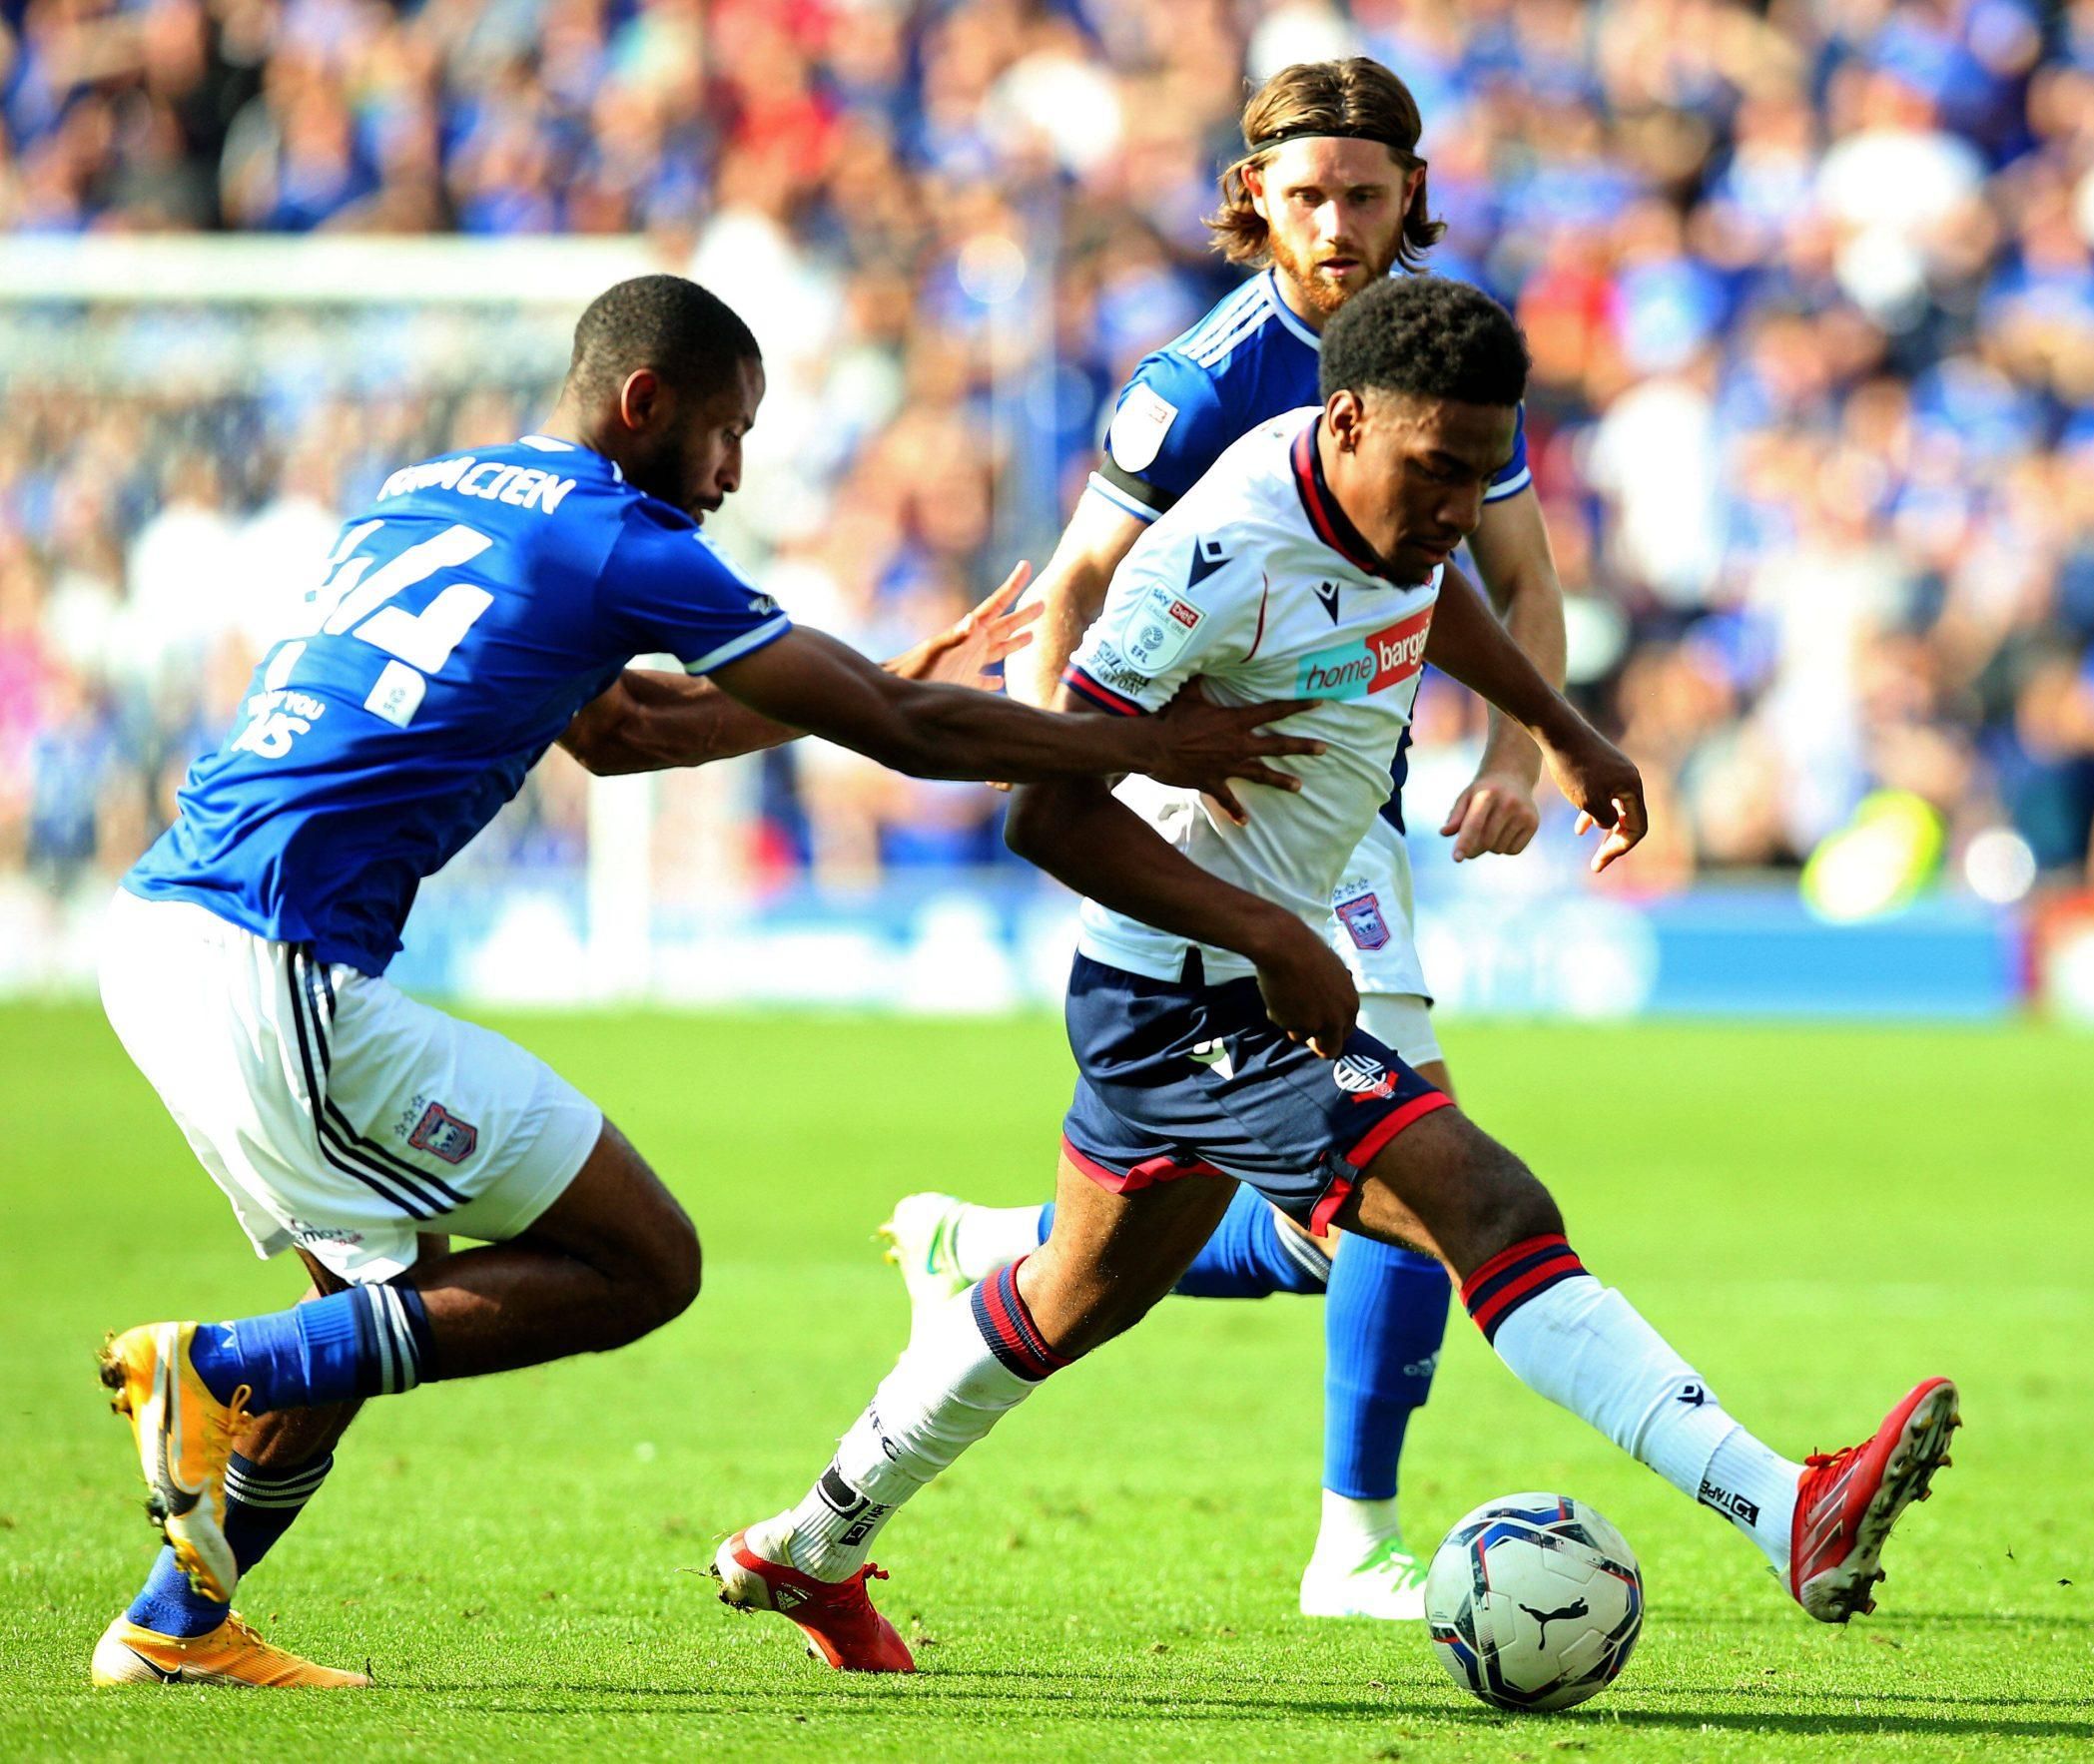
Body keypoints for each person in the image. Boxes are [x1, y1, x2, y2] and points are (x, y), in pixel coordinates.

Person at [87, 274, 1320, 1689]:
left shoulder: (434, 488)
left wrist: (873, 676)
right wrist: (1147, 750)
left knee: (373, 1307)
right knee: (642, 1262)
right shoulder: (623, 542)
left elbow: (620, 731)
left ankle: (176, 1622)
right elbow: (909, 736)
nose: (734, 471)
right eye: (730, 432)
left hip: (169, 937)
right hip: (272, 964)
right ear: (645, 403)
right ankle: (219, 1365)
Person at [714, 276, 1958, 1673]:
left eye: (1482, 475)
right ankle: (1789, 1507)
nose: (1455, 508)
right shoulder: (1221, 551)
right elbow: (1043, 812)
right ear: (1349, 418)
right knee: (1486, 1203)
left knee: (1069, 1298)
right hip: (1184, 992)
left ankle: (807, 1545)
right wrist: (1267, 936)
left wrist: (1560, 728)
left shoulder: (1394, 507)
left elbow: (1436, 596)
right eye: (1437, 471)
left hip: (1228, 969)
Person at [880, 56, 1573, 1622]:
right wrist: (1098, 790)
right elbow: (1070, 592)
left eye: (1367, 195)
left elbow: (1514, 582)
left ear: (1412, 195)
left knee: (1357, 1225)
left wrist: (1527, 746)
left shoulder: (1445, 358)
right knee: (1419, 1160)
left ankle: (1000, 1255)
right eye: (1307, 194)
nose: (1335, 225)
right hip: (1223, 811)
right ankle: (1356, 1540)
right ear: (1251, 193)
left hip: (1359, 805)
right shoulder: (1196, 385)